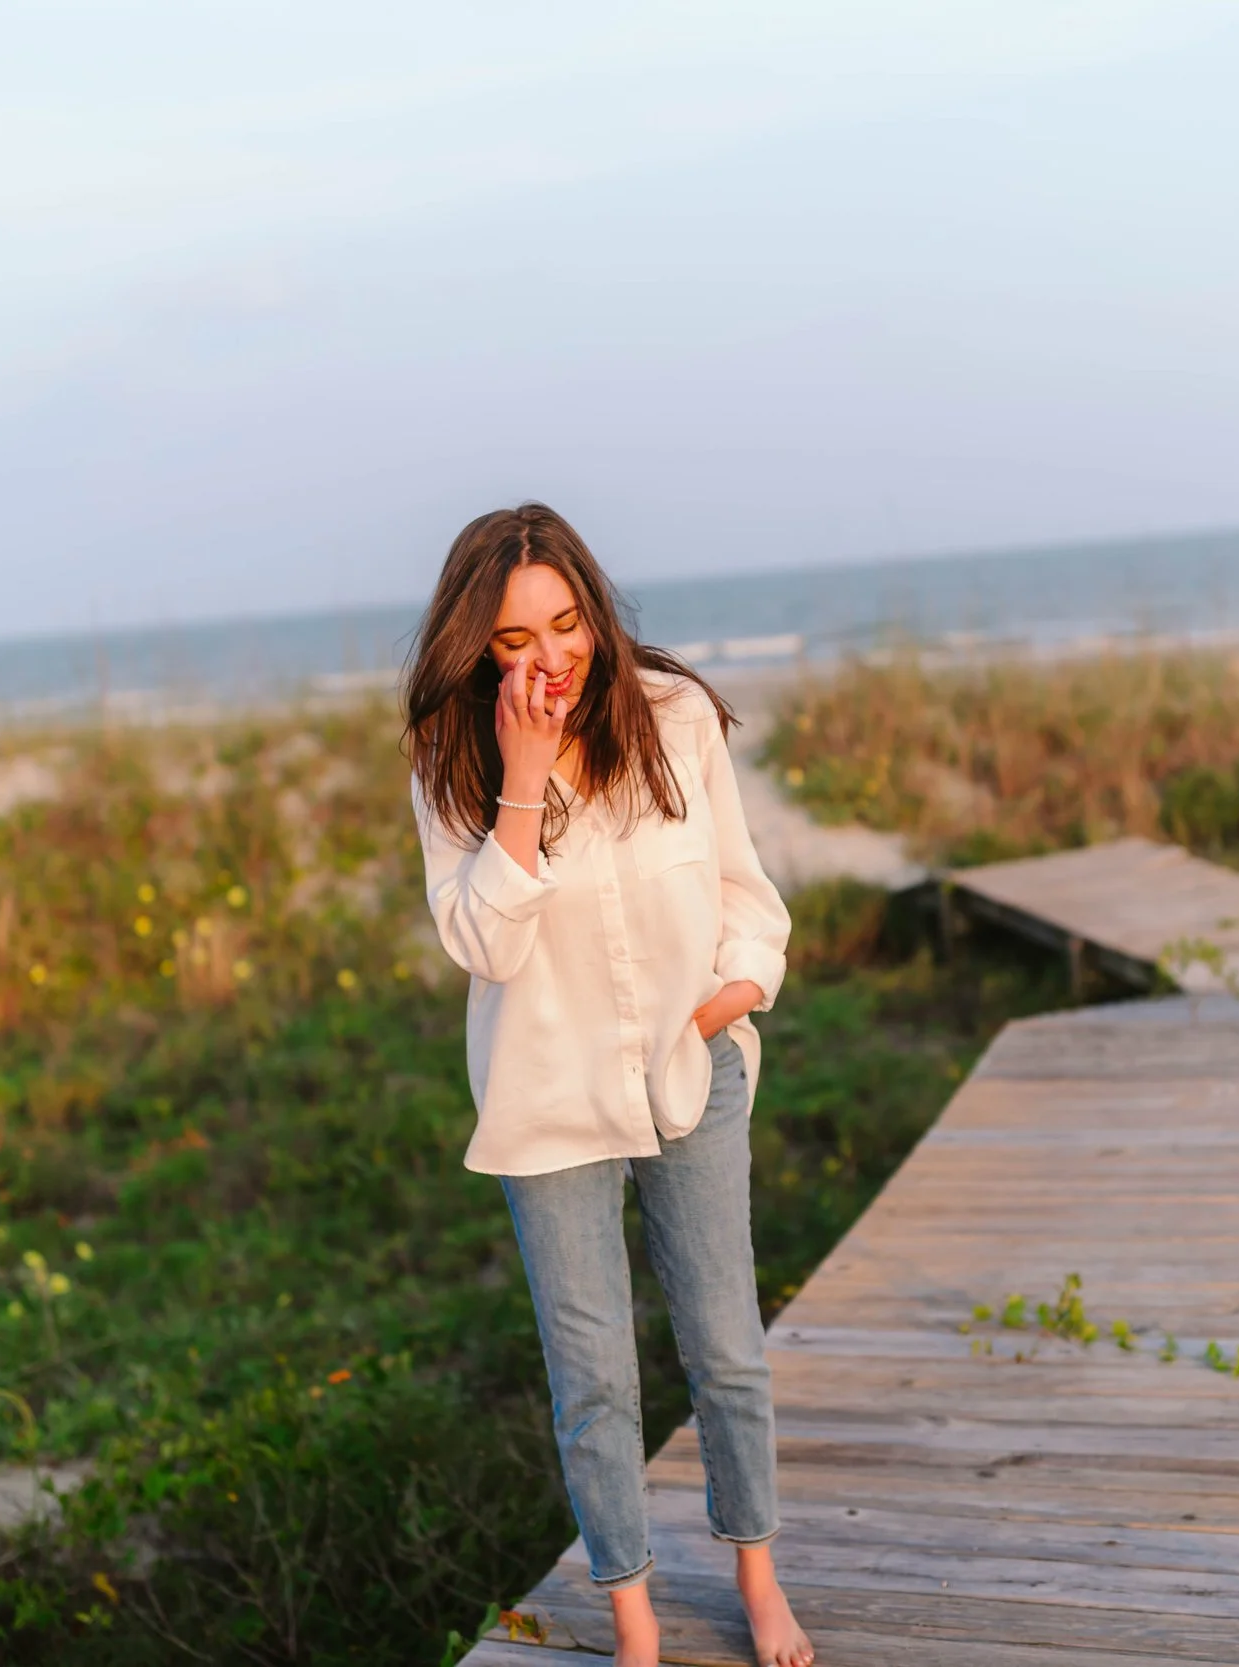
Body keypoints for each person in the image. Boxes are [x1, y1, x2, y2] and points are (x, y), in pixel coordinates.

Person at [403, 504, 812, 1667]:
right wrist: (523, 784)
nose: (550, 657)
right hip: (548, 1104)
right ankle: (635, 1621)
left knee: (724, 1346)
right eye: (515, 639)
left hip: (691, 1071)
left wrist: (738, 988)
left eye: (567, 622)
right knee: (593, 1385)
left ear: (593, 607)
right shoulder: (452, 761)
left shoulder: (674, 717)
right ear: (476, 647)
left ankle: (758, 1576)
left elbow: (743, 886)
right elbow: (482, 944)